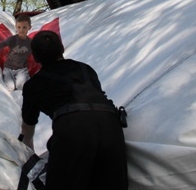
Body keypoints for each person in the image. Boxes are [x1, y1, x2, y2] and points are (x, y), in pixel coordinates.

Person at [20, 31, 128, 189]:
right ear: (62, 48)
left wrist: (26, 156)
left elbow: (27, 130)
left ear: (35, 57)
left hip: (72, 128)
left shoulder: (32, 86)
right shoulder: (86, 69)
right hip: (110, 125)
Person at [0, 14, 33, 91]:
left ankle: (26, 78)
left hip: (21, 69)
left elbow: (37, 51)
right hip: (8, 68)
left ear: (29, 27)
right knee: (10, 88)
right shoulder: (13, 39)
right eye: (19, 27)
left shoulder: (30, 43)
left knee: (20, 87)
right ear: (16, 27)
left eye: (24, 27)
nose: (21, 30)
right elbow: (1, 44)